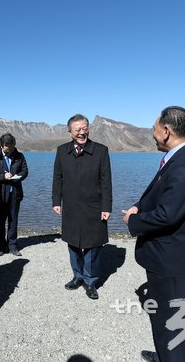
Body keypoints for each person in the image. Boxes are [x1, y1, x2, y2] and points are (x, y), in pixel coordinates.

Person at [122, 106, 185, 362]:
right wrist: (141, 205)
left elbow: (169, 215)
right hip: (170, 257)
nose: (152, 133)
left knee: (171, 327)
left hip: (171, 260)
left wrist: (133, 219)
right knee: (166, 325)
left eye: (154, 128)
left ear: (167, 131)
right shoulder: (182, 157)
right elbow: (164, 194)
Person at [52, 114, 112, 300]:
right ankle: (78, 276)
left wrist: (106, 206)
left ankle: (90, 281)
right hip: (71, 206)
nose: (82, 132)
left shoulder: (101, 151)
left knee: (93, 245)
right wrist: (56, 201)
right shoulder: (62, 151)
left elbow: (106, 181)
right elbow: (58, 178)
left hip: (94, 206)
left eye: (85, 128)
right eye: (77, 129)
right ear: (70, 132)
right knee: (73, 242)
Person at [0, 133, 29, 257]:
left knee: (13, 220)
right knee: (1, 221)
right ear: (2, 145)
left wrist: (16, 177)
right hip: (0, 194)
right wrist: (3, 176)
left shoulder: (19, 156)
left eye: (12, 146)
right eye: (8, 147)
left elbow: (25, 171)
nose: (10, 149)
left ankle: (12, 245)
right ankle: (1, 246)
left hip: (15, 194)